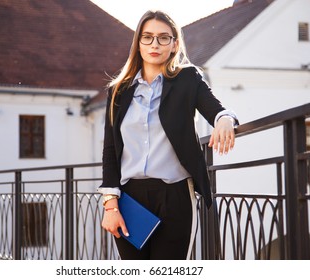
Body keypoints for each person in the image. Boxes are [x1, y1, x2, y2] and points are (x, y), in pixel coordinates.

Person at [98, 10, 238, 260]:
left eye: (163, 38)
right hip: (129, 199)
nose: (155, 44)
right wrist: (110, 203)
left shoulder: (188, 78)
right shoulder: (118, 91)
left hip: (175, 195)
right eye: (147, 37)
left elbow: (216, 110)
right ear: (138, 43)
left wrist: (225, 120)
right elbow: (110, 151)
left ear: (174, 44)